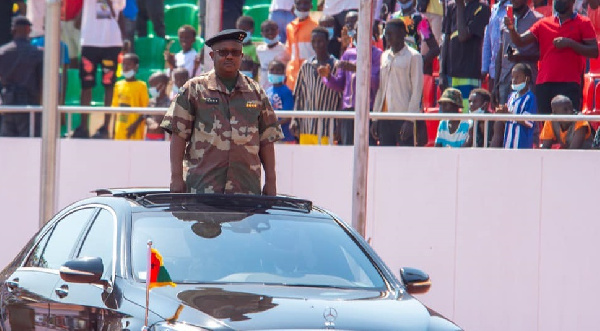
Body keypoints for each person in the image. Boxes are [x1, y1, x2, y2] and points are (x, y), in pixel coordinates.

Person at [160, 29, 283, 195]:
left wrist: (271, 181)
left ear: (241, 56)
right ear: (212, 56)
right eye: (223, 52)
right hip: (203, 188)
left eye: (235, 52)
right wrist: (175, 177)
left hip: (246, 190)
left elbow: (267, 140)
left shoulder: (256, 92)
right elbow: (178, 135)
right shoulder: (194, 89)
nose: (229, 56)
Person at [506, 0, 598, 114]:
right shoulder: (543, 23)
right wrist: (511, 28)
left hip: (570, 83)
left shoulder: (584, 22)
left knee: (569, 126)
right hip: (544, 84)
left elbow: (594, 52)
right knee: (547, 126)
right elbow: (520, 41)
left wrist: (570, 44)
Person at [319, 16, 382, 146]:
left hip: (368, 109)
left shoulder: (377, 54)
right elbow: (340, 84)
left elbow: (376, 83)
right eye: (358, 32)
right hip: (349, 109)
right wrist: (328, 77)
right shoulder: (348, 53)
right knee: (348, 147)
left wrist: (357, 69)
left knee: (367, 146)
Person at [74, 0, 125, 139]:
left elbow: (117, 13)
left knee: (109, 85)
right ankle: (84, 127)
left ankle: (105, 127)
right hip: (90, 41)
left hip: (111, 43)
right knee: (86, 85)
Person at [372, 19, 425, 146]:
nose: (388, 37)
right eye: (386, 33)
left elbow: (417, 90)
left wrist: (410, 120)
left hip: (403, 116)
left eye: (391, 33)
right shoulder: (384, 56)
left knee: (406, 158)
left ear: (401, 33)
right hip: (385, 116)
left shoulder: (414, 56)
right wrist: (375, 118)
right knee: (386, 157)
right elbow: (381, 89)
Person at [292, 27, 341, 145]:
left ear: (327, 42)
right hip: (306, 127)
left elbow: (341, 98)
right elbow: (299, 96)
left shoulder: (336, 66)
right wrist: (294, 119)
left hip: (328, 129)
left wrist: (339, 124)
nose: (317, 45)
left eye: (320, 41)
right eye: (313, 41)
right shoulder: (306, 66)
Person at [440, 0, 490, 112]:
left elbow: (463, 36)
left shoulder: (482, 8)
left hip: (469, 73)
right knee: (448, 117)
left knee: (466, 117)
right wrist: (442, 73)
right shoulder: (451, 7)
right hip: (450, 75)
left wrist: (459, 5)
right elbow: (445, 41)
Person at [0, 16, 43, 137]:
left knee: (8, 148)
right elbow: (43, 83)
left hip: (7, 106)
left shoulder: (2, 52)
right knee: (31, 147)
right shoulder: (38, 53)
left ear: (12, 30)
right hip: (30, 107)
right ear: (28, 30)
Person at [495, 0, 542, 105]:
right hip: (505, 81)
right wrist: (496, 85)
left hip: (527, 82)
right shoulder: (505, 19)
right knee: (505, 119)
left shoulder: (538, 19)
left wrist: (522, 57)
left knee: (525, 118)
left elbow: (542, 53)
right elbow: (500, 53)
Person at [493, 63, 537, 149]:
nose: (514, 80)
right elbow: (510, 121)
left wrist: (509, 114)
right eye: (513, 77)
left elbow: (528, 122)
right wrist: (502, 114)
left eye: (517, 77)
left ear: (526, 79)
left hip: (522, 145)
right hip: (508, 144)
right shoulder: (511, 96)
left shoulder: (530, 98)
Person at [112, 53, 149, 140]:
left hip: (135, 130)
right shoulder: (118, 85)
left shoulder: (141, 86)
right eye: (123, 64)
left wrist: (134, 126)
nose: (125, 67)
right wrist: (113, 130)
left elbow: (145, 110)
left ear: (136, 67)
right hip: (120, 129)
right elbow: (115, 110)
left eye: (129, 64)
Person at [284, 0, 318, 90]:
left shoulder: (315, 27)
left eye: (306, 3)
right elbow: (290, 52)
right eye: (299, 3)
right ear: (294, 5)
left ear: (311, 5)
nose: (302, 6)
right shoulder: (290, 27)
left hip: (309, 75)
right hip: (292, 77)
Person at [481, 0, 509, 101]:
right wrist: (484, 68)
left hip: (506, 70)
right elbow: (487, 39)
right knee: (494, 106)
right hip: (493, 70)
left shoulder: (513, 7)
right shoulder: (494, 9)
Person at [265, 60, 296, 143]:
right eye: (272, 70)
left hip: (285, 137)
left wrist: (272, 125)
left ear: (284, 73)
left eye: (278, 70)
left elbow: (287, 116)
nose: (275, 72)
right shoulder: (267, 91)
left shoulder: (286, 91)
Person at [256, 20, 288, 91]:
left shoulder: (284, 50)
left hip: (279, 88)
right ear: (262, 33)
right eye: (267, 30)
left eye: (273, 30)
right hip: (263, 88)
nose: (270, 32)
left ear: (278, 31)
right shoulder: (259, 50)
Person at [146, 71, 170, 141]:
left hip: (161, 138)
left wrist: (158, 124)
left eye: (152, 85)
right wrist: (150, 121)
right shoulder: (151, 101)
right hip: (148, 137)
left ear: (162, 85)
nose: (150, 89)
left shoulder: (169, 103)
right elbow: (146, 116)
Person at [61, 0, 83, 69]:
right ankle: (71, 79)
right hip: (63, 22)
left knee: (85, 56)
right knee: (69, 56)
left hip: (79, 23)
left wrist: (80, 16)